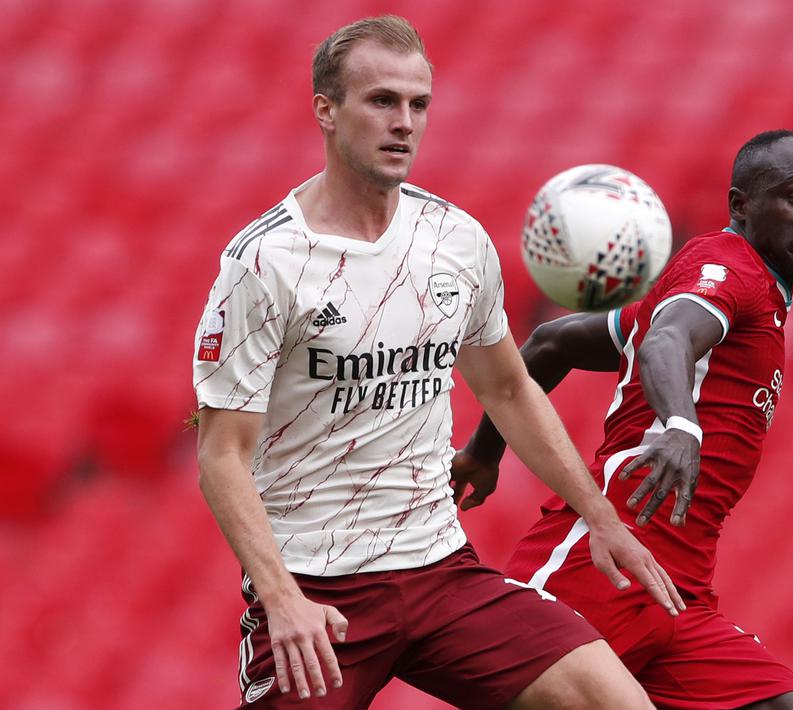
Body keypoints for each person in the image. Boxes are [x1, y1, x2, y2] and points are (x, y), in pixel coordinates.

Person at [192, 15, 683, 709]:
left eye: (418, 104)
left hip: (441, 572)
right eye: (382, 101)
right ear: (326, 112)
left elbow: (509, 390)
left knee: (618, 704)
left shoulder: (454, 239)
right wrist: (282, 598)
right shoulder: (264, 262)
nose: (404, 123)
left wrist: (600, 518)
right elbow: (221, 454)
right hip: (318, 594)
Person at [453, 129, 793, 710]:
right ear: (740, 206)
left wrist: (484, 453)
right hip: (602, 559)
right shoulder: (724, 266)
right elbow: (668, 338)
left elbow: (553, 344)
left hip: (677, 586)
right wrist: (680, 425)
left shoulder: (746, 296)